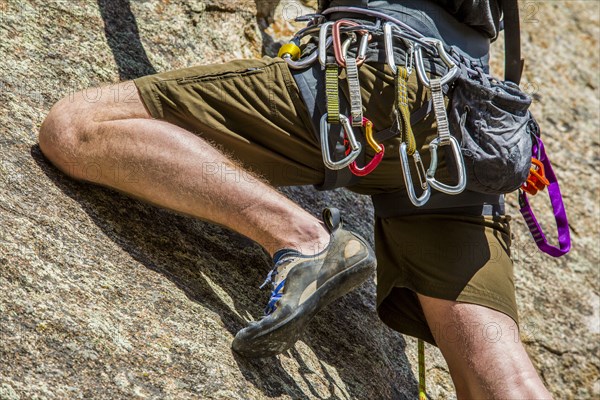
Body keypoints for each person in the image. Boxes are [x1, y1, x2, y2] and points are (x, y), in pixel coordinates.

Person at [38, 0, 553, 397]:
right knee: (506, 383)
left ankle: (301, 239)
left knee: (78, 126)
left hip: (374, 77)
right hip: (474, 133)